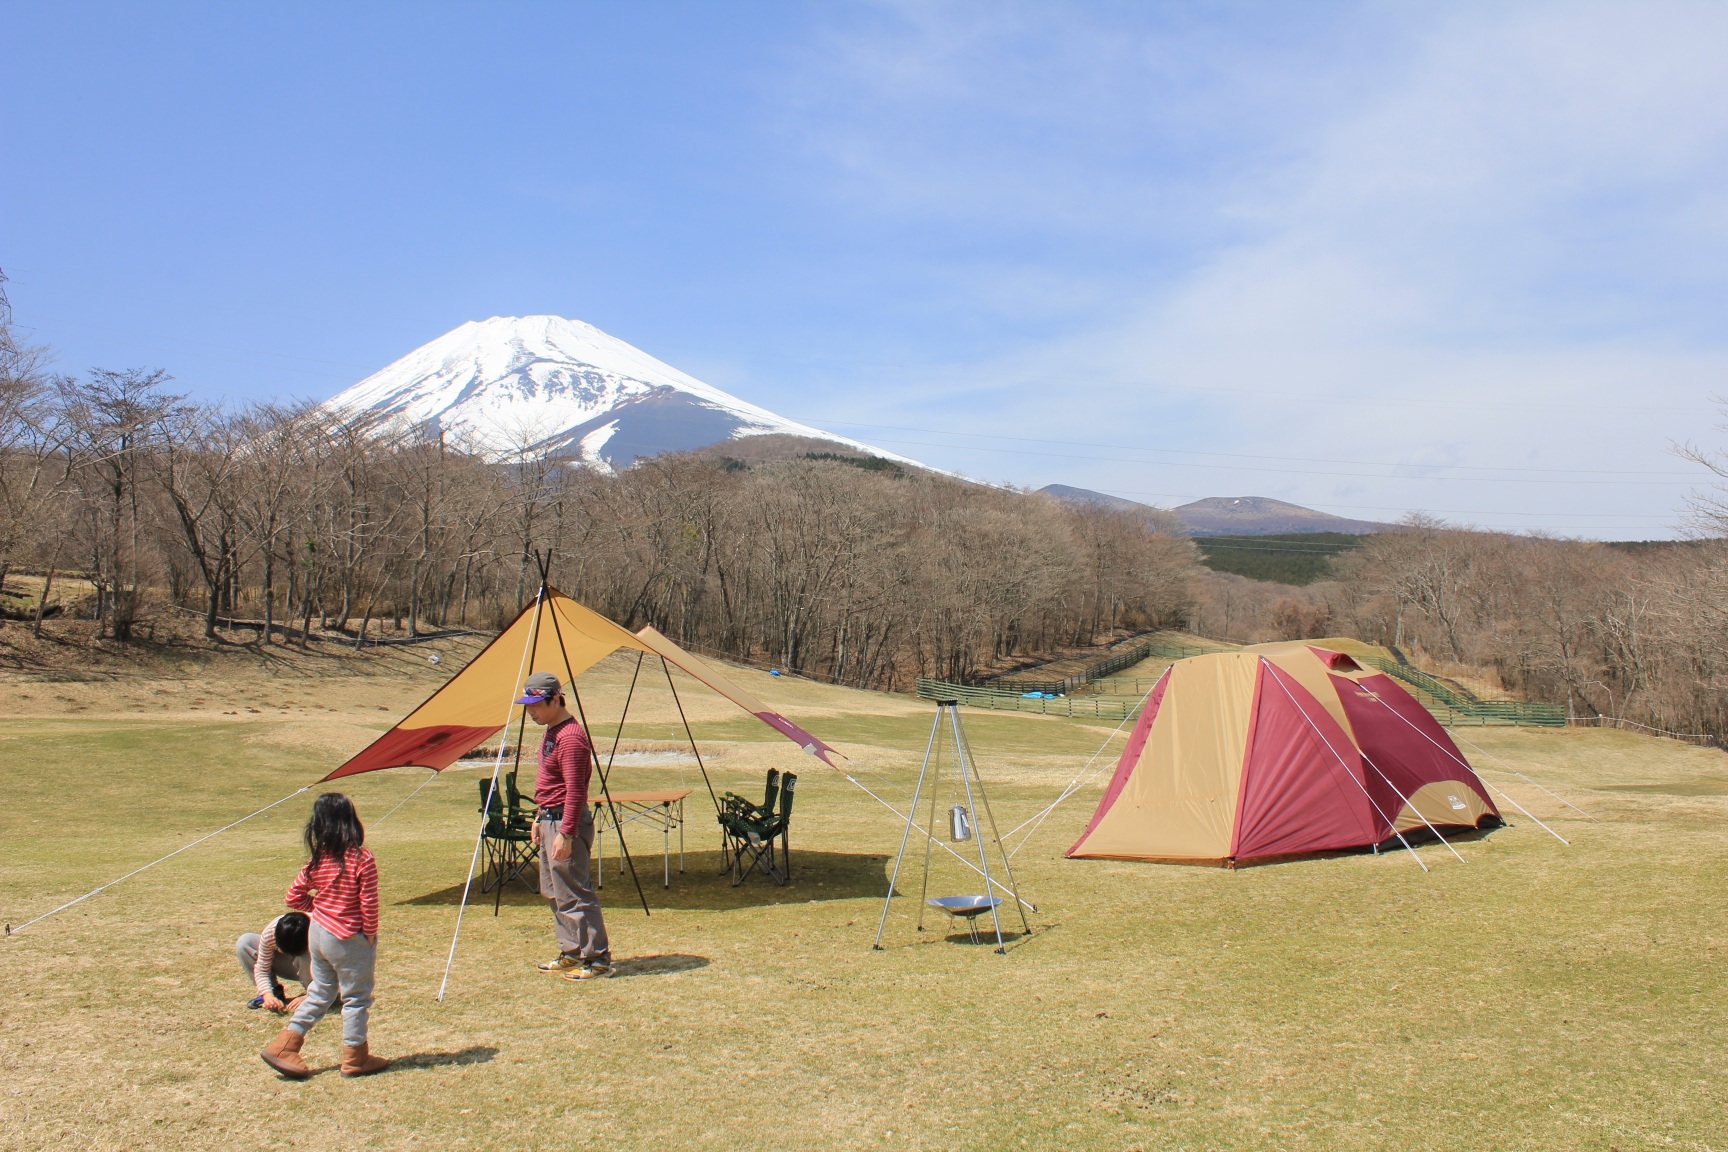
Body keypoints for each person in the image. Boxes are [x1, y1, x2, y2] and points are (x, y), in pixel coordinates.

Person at [259, 792, 390, 1080]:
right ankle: (356, 1058)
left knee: (321, 990)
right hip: (348, 937)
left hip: (318, 935)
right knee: (356, 997)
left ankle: (285, 1046)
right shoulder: (362, 858)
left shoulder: (317, 860)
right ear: (350, 820)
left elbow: (293, 895)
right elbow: (368, 903)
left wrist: (318, 912)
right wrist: (369, 935)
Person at [519, 671, 613, 981]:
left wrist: (566, 833)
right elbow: (549, 782)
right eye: (528, 705)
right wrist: (537, 816)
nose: (531, 711)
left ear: (555, 699)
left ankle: (597, 959)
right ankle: (572, 951)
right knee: (553, 891)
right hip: (548, 818)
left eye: (536, 705)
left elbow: (575, 790)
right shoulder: (551, 730)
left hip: (564, 822)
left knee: (575, 892)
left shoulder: (571, 737)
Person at [236, 910, 311, 1011]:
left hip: (316, 969)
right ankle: (275, 992)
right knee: (245, 942)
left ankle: (315, 993)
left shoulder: (321, 930)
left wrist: (312, 995)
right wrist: (268, 995)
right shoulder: (271, 933)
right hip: (290, 967)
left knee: (305, 956)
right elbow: (262, 969)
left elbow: (335, 969)